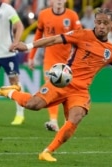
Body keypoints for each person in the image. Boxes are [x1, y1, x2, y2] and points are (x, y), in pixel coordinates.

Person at [0, 8, 112, 162]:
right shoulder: (82, 35)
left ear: (111, 25)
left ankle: (47, 152)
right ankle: (11, 92)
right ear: (95, 22)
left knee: (75, 118)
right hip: (62, 82)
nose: (101, 26)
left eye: (105, 23)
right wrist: (28, 46)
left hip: (80, 91)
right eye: (99, 22)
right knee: (33, 104)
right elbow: (54, 39)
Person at [28, 0, 82, 132]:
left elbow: (80, 37)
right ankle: (53, 121)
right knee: (51, 88)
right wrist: (31, 56)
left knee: (67, 91)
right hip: (50, 59)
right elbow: (38, 35)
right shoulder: (43, 15)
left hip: (68, 60)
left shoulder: (72, 16)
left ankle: (67, 122)